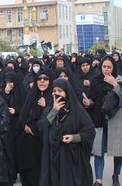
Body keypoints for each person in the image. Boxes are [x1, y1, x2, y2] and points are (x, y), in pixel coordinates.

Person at [40, 78, 95, 186]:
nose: (56, 94)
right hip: (52, 158)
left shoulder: (77, 111)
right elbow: (41, 127)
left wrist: (74, 138)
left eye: (60, 91)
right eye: (54, 91)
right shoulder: (49, 109)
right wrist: (54, 111)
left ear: (67, 92)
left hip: (72, 159)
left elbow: (90, 131)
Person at [84, 56, 122, 186]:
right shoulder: (96, 80)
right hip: (99, 119)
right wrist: (88, 102)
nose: (106, 69)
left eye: (109, 67)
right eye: (104, 67)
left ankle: (116, 176)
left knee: (118, 151)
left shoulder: (119, 80)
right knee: (98, 150)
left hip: (116, 120)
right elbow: (93, 99)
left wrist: (115, 85)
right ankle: (98, 179)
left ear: (114, 67)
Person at [16, 68, 55, 186]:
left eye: (45, 79)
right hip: (27, 145)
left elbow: (53, 120)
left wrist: (46, 105)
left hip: (43, 145)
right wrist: (25, 126)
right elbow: (22, 116)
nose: (42, 81)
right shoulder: (32, 95)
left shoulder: (54, 97)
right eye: (39, 78)